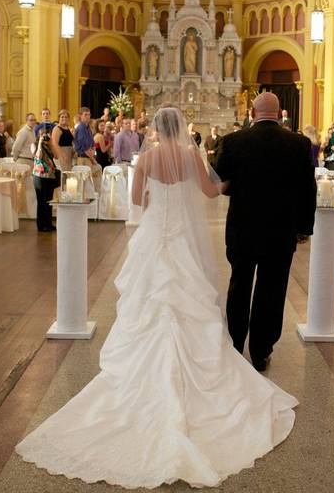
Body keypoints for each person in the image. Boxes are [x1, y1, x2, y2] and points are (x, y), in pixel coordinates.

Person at [16, 107, 298, 488]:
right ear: (180, 130)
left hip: (155, 237)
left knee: (147, 301)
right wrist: (234, 184)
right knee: (190, 297)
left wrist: (159, 211)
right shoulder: (190, 156)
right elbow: (212, 191)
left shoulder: (147, 159)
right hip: (182, 238)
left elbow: (138, 201)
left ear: (155, 130)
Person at [216, 92, 315, 372]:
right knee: (272, 290)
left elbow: (221, 181)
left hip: (243, 229)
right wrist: (304, 228)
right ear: (280, 113)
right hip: (280, 232)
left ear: (251, 113)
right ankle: (260, 352)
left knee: (239, 286)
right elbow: (308, 190)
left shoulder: (234, 141)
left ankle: (235, 346)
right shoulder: (299, 144)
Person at [32, 124, 59, 232]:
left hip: (50, 175)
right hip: (39, 176)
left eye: (47, 134)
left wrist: (52, 144)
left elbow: (57, 156)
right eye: (43, 134)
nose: (45, 136)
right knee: (41, 201)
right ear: (39, 135)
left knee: (49, 201)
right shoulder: (34, 144)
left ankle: (48, 223)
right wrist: (39, 143)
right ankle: (41, 225)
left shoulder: (49, 145)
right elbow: (38, 156)